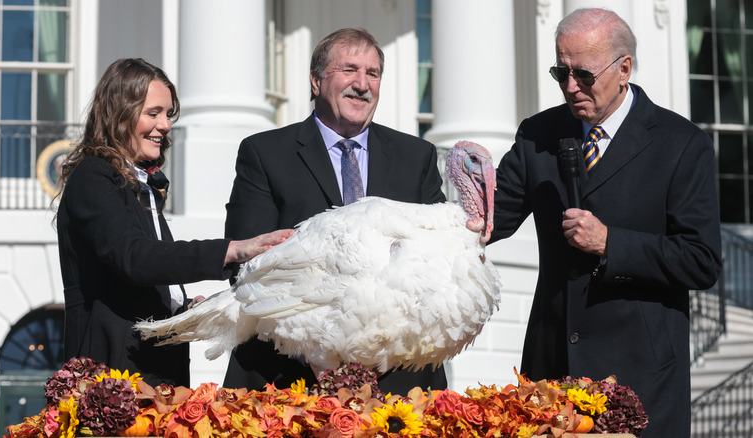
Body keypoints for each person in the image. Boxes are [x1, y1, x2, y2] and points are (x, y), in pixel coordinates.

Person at [490, 8, 722, 438]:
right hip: (551, 375)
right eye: (561, 72)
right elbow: (488, 221)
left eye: (583, 74)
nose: (570, 86)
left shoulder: (681, 144)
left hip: (639, 379)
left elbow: (701, 260)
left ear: (624, 69)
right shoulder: (536, 134)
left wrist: (610, 243)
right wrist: (462, 197)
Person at [223, 28, 448, 394]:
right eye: (349, 70)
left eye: (372, 74)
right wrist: (317, 347)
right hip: (289, 377)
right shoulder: (265, 153)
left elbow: (439, 261)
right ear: (316, 81)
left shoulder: (416, 157)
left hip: (401, 380)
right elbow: (247, 267)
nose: (362, 84)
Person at [55, 58, 293, 387]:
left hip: (156, 373)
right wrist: (232, 250)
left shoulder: (142, 184)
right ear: (118, 114)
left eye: (168, 114)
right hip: (112, 379)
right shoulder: (94, 175)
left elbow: (146, 275)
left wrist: (181, 306)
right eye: (153, 113)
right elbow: (135, 258)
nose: (165, 125)